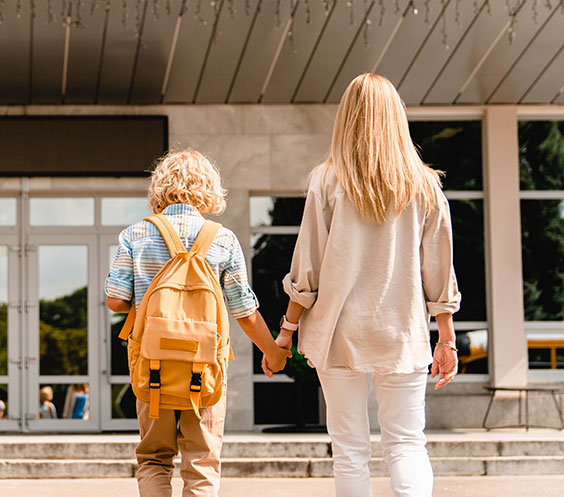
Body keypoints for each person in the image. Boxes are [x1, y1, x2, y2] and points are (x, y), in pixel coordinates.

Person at [263, 74, 461, 497]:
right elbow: (439, 269)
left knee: (349, 448)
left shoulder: (327, 180)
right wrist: (446, 338)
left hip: (339, 331)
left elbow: (308, 264)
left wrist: (286, 332)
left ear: (348, 117)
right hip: (402, 330)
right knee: (407, 443)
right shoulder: (425, 185)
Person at [105, 148, 290, 497]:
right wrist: (274, 352)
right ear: (209, 188)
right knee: (202, 462)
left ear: (161, 187)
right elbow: (245, 312)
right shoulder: (222, 238)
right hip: (204, 368)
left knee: (154, 459)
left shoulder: (136, 235)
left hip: (151, 364)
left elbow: (115, 299)